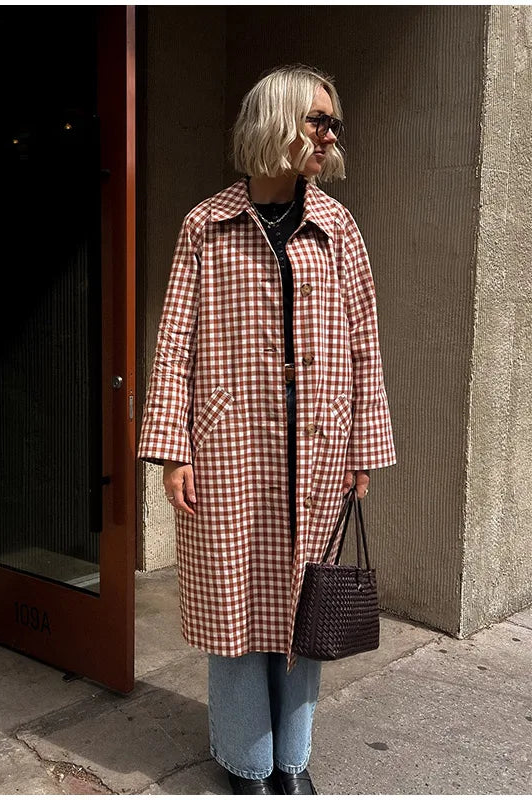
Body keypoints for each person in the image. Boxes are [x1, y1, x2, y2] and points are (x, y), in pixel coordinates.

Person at [137, 64, 397, 795]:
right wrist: (172, 452)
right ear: (276, 122)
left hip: (318, 444)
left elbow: (364, 342)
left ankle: (293, 759)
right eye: (319, 120)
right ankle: (247, 761)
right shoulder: (206, 225)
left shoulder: (338, 228)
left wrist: (363, 447)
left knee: (307, 601)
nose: (331, 135)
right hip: (231, 446)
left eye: (334, 123)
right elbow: (175, 342)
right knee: (234, 604)